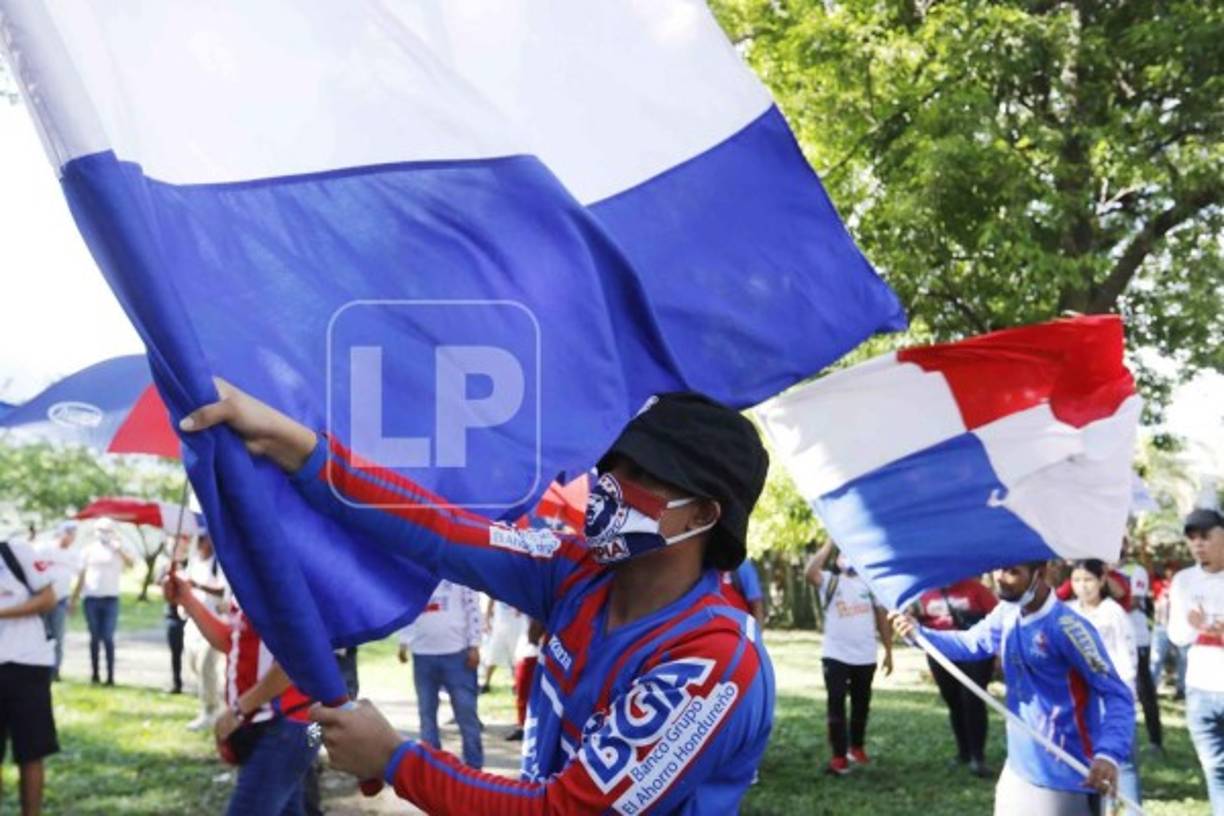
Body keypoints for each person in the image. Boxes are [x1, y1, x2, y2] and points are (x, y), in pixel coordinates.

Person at [180, 384, 774, 813]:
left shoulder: (713, 659)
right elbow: (437, 529)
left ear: (702, 515)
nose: (611, 486)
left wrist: (395, 759)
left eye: (645, 474)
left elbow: (565, 811)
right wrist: (295, 444)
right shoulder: (576, 570)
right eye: (613, 466)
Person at [892, 561, 1133, 816]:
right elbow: (972, 643)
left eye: (1012, 572)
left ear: (1041, 574)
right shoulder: (1007, 612)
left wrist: (1108, 753)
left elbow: (1117, 693)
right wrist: (917, 634)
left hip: (1064, 777)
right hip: (1018, 769)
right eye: (998, 569)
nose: (1000, 578)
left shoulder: (1068, 629)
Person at [163, 571, 318, 815]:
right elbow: (231, 641)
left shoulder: (281, 578)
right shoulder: (247, 577)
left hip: (290, 725)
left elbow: (297, 661)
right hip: (280, 726)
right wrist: (188, 600)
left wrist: (238, 709)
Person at [805, 542, 893, 775]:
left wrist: (889, 651)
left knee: (861, 704)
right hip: (835, 655)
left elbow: (882, 619)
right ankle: (838, 757)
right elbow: (809, 573)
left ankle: (857, 747)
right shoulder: (830, 581)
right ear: (838, 559)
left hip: (865, 656)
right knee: (836, 705)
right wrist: (829, 542)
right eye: (844, 554)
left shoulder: (870, 584)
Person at [1067, 559, 1141, 807]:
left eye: (1088, 580)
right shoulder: (1068, 612)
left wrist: (1127, 693)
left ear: (1101, 581)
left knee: (1123, 757)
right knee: (1092, 755)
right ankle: (1100, 807)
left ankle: (1131, 808)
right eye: (1077, 580)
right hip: (1082, 696)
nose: (1083, 586)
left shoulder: (1113, 612)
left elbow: (1127, 653)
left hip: (1111, 693)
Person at [1168, 508, 1224, 813]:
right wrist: (1193, 624)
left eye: (1205, 536)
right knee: (1215, 770)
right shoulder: (1183, 581)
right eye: (1192, 538)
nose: (1198, 544)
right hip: (1200, 687)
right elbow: (1178, 636)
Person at [915, 577, 998, 777]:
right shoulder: (924, 592)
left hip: (974, 653)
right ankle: (964, 752)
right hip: (940, 654)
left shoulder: (976, 588)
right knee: (954, 701)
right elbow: (920, 621)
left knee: (973, 700)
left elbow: (997, 617)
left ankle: (978, 757)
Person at [397, 579, 485, 769]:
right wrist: (403, 642)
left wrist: (474, 645)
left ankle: (474, 766)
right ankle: (432, 767)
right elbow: (406, 606)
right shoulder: (415, 573)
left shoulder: (458, 571)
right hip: (422, 654)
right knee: (426, 714)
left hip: (457, 654)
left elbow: (473, 608)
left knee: (466, 714)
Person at [0, 534, 60, 816]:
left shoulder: (15, 550)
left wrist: (2, 613)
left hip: (27, 662)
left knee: (30, 751)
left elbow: (49, 599)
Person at [70, 518, 133, 686]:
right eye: (100, 529)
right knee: (94, 637)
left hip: (110, 598)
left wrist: (118, 549)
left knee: (108, 637)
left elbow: (131, 564)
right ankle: (95, 674)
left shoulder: (118, 550)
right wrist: (74, 599)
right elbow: (81, 577)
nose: (103, 533)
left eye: (107, 530)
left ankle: (110, 676)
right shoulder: (88, 550)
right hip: (91, 599)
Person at [1117, 540, 1163, 753]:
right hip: (1112, 640)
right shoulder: (1099, 571)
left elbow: (1135, 601)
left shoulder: (1136, 571)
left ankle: (1155, 740)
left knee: (1145, 690)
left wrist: (1110, 607)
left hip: (1137, 638)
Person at [184, 530, 227, 730]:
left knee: (206, 665)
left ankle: (211, 709)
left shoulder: (220, 562)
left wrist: (199, 586)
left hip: (216, 622)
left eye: (207, 538)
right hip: (193, 623)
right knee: (194, 664)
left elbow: (223, 591)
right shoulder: (193, 561)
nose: (204, 542)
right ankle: (211, 702)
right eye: (201, 538)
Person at [32, 521, 80, 681]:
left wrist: (74, 599)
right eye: (68, 533)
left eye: (73, 534)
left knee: (58, 637)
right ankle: (38, 669)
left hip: (61, 601)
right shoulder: (44, 549)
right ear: (61, 533)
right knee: (40, 635)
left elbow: (80, 575)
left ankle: (55, 670)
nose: (71, 537)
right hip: (41, 600)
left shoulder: (73, 554)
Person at [507, 618, 545, 742]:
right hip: (527, 651)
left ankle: (526, 726)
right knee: (522, 693)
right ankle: (522, 725)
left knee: (527, 694)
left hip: (533, 653)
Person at [162, 533, 190, 694]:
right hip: (173, 615)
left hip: (190, 615)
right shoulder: (167, 566)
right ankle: (176, 682)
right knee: (176, 651)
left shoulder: (192, 563)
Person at [480, 597, 526, 694]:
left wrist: (522, 608)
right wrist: (487, 620)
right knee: (492, 656)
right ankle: (486, 684)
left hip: (516, 625)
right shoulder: (498, 585)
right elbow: (491, 600)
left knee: (516, 657)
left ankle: (517, 684)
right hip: (499, 625)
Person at [722, 557, 766, 626]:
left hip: (739, 630)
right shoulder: (703, 566)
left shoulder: (743, 567)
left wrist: (757, 633)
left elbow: (757, 605)